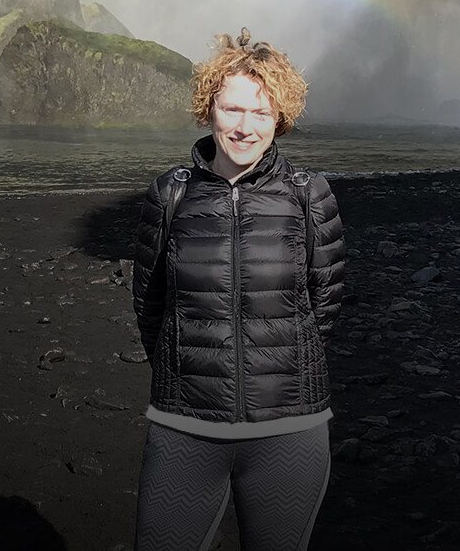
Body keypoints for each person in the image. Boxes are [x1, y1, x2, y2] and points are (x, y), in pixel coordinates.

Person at [131, 28, 346, 551]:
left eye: (261, 114)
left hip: (290, 431)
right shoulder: (171, 192)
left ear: (280, 119)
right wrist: (184, 371)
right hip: (184, 428)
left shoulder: (308, 195)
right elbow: (149, 302)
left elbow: (326, 301)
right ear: (209, 109)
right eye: (232, 110)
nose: (245, 127)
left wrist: (282, 369)